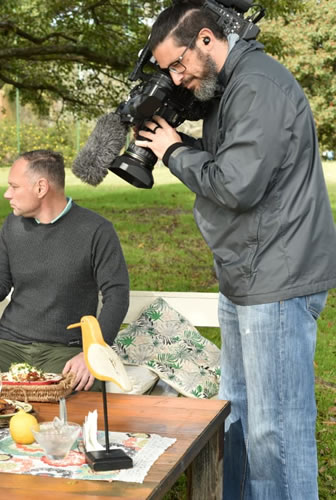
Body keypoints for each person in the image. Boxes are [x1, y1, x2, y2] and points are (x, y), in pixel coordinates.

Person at [134, 2, 336, 498]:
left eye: (178, 64)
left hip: (278, 279)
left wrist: (174, 150)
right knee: (239, 418)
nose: (177, 78)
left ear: (206, 38)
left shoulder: (258, 85)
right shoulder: (224, 89)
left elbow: (237, 185)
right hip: (245, 275)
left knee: (276, 432)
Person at [0, 150, 130, 389]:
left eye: (14, 186)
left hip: (65, 350)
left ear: (41, 188)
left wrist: (93, 352)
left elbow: (117, 295)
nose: (7, 194)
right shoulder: (13, 225)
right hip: (10, 344)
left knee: (77, 390)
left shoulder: (96, 230)